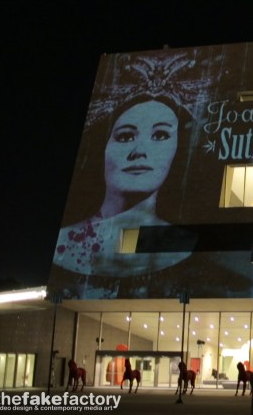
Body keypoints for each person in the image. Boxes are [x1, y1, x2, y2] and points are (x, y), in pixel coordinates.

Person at [52, 93, 192, 284]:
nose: (139, 151)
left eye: (160, 135)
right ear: (102, 148)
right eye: (125, 137)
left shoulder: (185, 244)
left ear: (178, 149)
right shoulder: (62, 241)